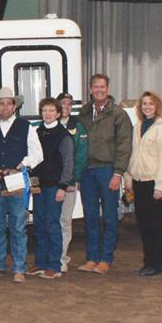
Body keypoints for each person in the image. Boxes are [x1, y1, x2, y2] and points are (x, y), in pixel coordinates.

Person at [0, 87, 43, 283]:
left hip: (17, 182)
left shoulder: (25, 127)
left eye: (8, 103)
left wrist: (22, 165)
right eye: (1, 103)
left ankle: (19, 268)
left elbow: (37, 153)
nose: (4, 107)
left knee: (18, 226)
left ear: (14, 106)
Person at [76, 74, 132, 275]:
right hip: (87, 172)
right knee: (90, 217)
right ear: (90, 90)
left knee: (109, 217)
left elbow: (124, 146)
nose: (99, 90)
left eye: (102, 87)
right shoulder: (83, 113)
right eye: (95, 87)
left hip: (108, 170)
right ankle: (92, 257)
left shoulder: (118, 114)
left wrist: (118, 173)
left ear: (107, 89)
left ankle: (106, 258)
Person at [123, 92, 162, 277]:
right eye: (144, 104)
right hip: (139, 182)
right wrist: (128, 178)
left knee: (156, 225)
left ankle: (157, 263)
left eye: (150, 104)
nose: (147, 107)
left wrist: (161, 186)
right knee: (144, 224)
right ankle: (148, 262)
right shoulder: (138, 126)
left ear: (157, 106)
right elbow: (133, 154)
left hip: (154, 183)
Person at [27, 98, 73, 279]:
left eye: (51, 111)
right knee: (39, 224)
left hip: (54, 186)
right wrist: (33, 185)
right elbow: (32, 160)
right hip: (38, 186)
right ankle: (40, 262)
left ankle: (55, 265)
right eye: (44, 110)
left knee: (53, 224)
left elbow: (68, 163)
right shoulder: (36, 132)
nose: (47, 114)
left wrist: (63, 186)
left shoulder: (63, 136)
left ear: (58, 114)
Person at [56, 92, 88, 272]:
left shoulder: (78, 127)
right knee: (50, 220)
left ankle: (62, 258)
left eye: (69, 104)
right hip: (51, 184)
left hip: (68, 183)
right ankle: (51, 257)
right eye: (63, 103)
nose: (66, 107)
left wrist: (71, 180)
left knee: (65, 220)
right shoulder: (48, 124)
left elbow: (81, 156)